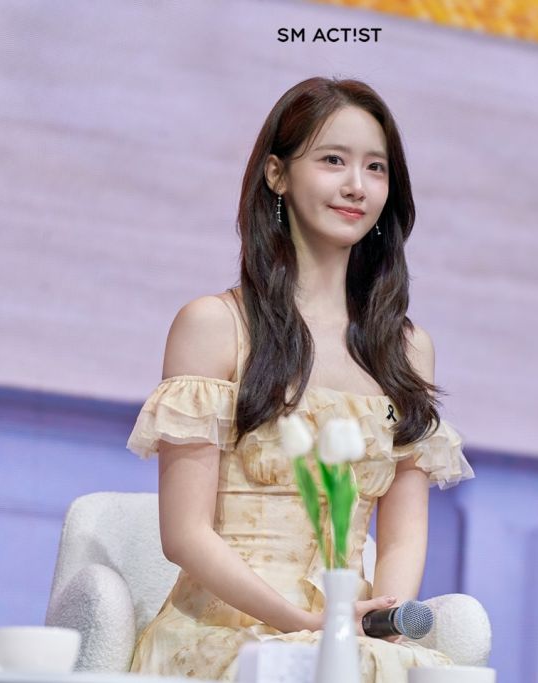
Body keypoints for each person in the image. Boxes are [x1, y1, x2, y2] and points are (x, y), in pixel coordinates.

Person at [126, 76, 475, 682]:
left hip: (348, 638)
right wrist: (305, 624)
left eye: (376, 168)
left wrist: (380, 621)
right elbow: (184, 534)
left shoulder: (407, 350)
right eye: (333, 160)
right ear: (277, 174)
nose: (356, 185)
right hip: (225, 634)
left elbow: (401, 536)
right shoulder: (213, 326)